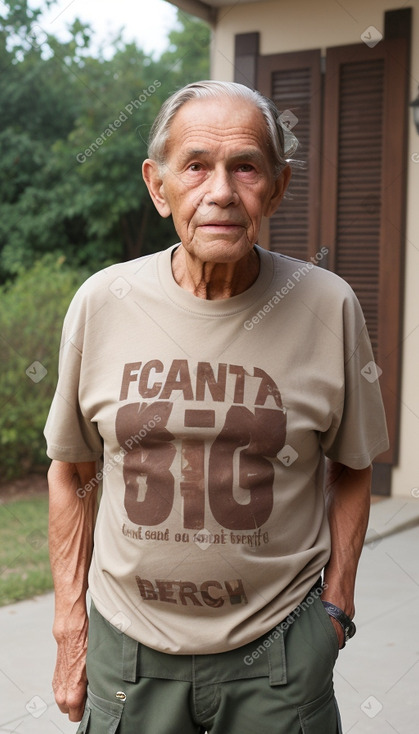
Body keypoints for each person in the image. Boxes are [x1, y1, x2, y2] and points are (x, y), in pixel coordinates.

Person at [45, 80, 389, 734]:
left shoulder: (328, 306)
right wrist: (70, 630)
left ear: (278, 186)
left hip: (278, 657)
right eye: (196, 165)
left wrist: (336, 608)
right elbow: (70, 471)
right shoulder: (101, 303)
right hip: (130, 659)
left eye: (246, 168)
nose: (222, 191)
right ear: (158, 184)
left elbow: (352, 465)